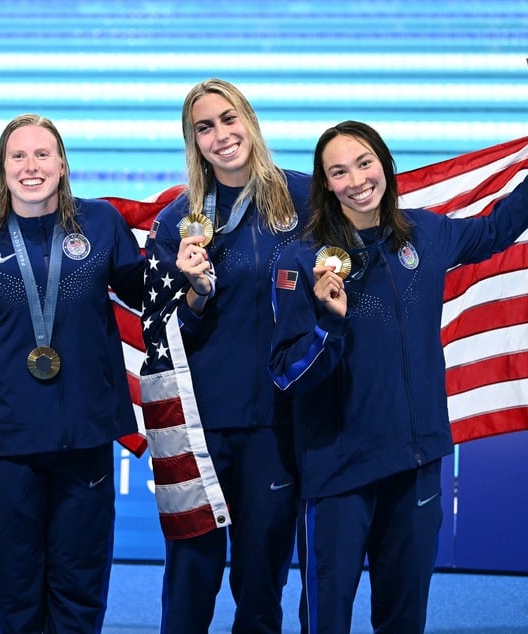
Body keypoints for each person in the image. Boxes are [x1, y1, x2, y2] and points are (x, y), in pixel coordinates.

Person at [268, 120, 528, 633]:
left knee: (405, 619)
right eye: (339, 171)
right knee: (327, 621)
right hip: (339, 470)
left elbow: (493, 231)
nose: (357, 180)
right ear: (326, 184)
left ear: (385, 165)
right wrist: (330, 324)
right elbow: (288, 375)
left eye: (365, 163)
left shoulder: (426, 234)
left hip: (415, 461)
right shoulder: (302, 262)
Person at [0, 113, 144, 633]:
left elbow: (145, 298)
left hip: (84, 437)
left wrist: (194, 275)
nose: (31, 165)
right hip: (6, 445)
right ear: (2, 168)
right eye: (18, 155)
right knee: (17, 595)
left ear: (63, 164)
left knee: (80, 591)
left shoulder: (101, 224)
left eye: (43, 154)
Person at [140, 78, 308, 633]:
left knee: (261, 588)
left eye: (228, 119)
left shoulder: (307, 202)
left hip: (276, 428)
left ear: (250, 121)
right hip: (201, 429)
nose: (221, 135)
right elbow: (160, 334)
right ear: (194, 142)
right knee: (190, 582)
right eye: (204, 127)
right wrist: (194, 293)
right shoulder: (176, 223)